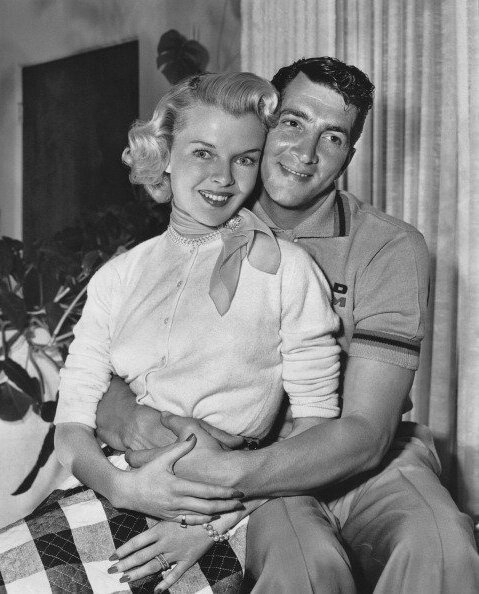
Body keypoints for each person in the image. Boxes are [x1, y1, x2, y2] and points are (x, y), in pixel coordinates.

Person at [97, 57, 479, 593]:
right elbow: (110, 364)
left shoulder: (391, 246)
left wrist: (220, 502)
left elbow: (366, 434)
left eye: (333, 138)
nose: (305, 154)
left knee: (440, 545)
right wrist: (129, 416)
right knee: (304, 567)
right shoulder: (203, 212)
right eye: (293, 123)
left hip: (362, 456)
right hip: (252, 451)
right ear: (264, 122)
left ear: (349, 154)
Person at [52, 71, 344, 592]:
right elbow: (71, 425)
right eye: (203, 153)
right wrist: (123, 487)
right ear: (164, 155)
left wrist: (213, 523)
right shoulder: (118, 276)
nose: (223, 178)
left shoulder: (289, 269)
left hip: (228, 509)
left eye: (244, 159)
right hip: (119, 484)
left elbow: (318, 432)